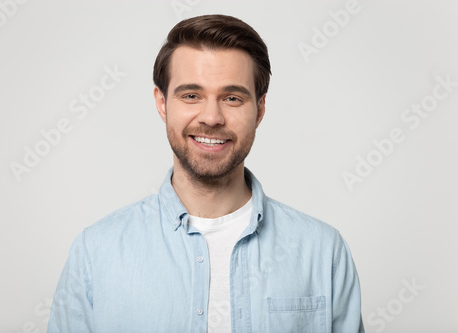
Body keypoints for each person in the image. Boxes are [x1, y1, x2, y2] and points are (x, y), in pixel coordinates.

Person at [48, 14, 364, 333]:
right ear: (162, 103)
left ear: (260, 109)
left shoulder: (323, 251)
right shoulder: (95, 251)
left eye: (232, 98)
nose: (212, 117)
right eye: (191, 95)